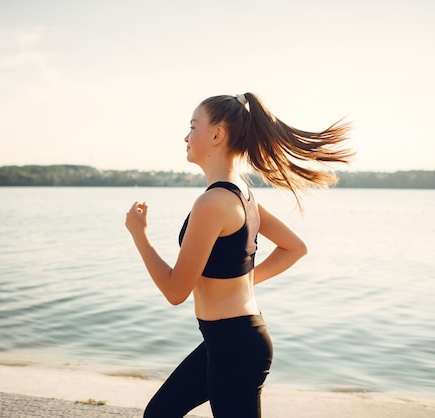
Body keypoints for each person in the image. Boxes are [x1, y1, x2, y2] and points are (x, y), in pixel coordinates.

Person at [125, 93, 354, 417]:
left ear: (217, 135)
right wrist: (240, 284)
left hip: (235, 345)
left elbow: (176, 291)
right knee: (160, 413)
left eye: (193, 127)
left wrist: (140, 235)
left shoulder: (213, 203)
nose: (186, 136)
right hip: (229, 340)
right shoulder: (241, 193)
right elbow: (294, 248)